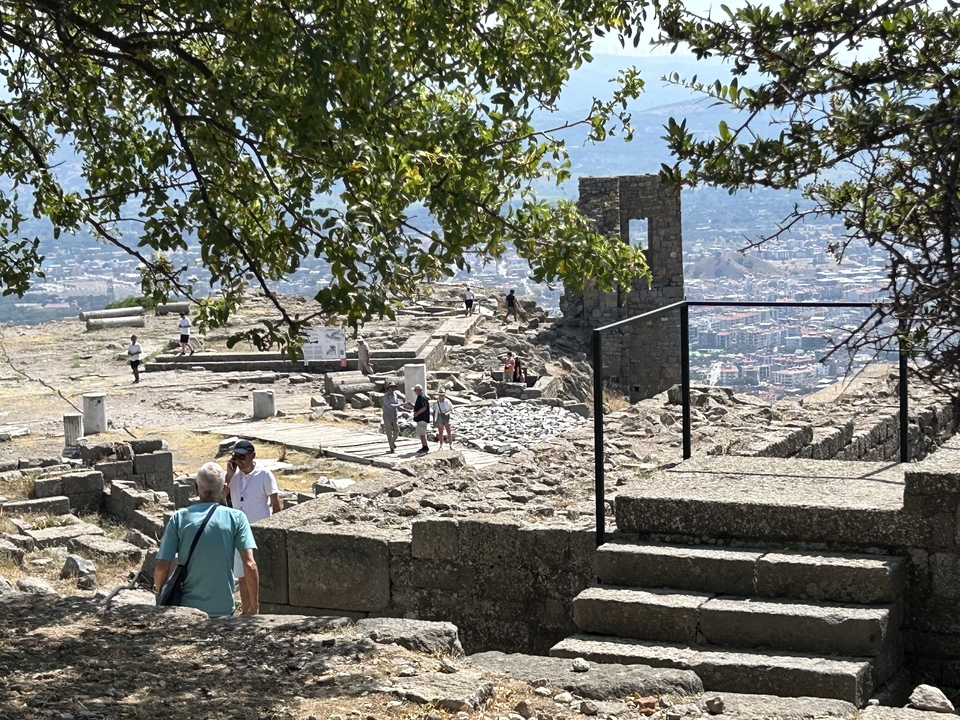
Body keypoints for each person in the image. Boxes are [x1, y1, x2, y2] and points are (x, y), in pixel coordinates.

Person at [155, 462, 259, 616]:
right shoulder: (237, 518)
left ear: (196, 488)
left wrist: (158, 596)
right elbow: (250, 565)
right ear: (224, 490)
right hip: (222, 609)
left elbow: (162, 566)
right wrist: (254, 607)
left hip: (187, 610)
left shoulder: (179, 518)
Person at [225, 440, 280, 615]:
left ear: (253, 456)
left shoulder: (264, 474)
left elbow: (276, 504)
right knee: (241, 574)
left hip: (259, 529)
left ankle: (257, 608)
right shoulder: (233, 475)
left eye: (242, 457)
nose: (238, 461)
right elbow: (220, 495)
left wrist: (275, 529)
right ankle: (246, 609)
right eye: (235, 457)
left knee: (256, 570)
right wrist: (228, 476)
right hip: (239, 529)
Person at [381, 381, 404, 453]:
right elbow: (389, 405)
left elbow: (397, 403)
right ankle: (391, 446)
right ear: (388, 388)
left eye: (394, 387)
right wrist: (398, 405)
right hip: (387, 415)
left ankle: (392, 442)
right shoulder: (385, 396)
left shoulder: (395, 395)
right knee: (389, 431)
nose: (393, 388)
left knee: (397, 430)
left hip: (394, 415)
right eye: (391, 387)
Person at [412, 384, 430, 454]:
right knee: (422, 433)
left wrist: (417, 413)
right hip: (422, 418)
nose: (414, 391)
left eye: (415, 390)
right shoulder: (422, 397)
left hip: (422, 418)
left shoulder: (421, 397)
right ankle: (424, 446)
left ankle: (425, 447)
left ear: (419, 390)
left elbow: (424, 407)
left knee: (422, 434)